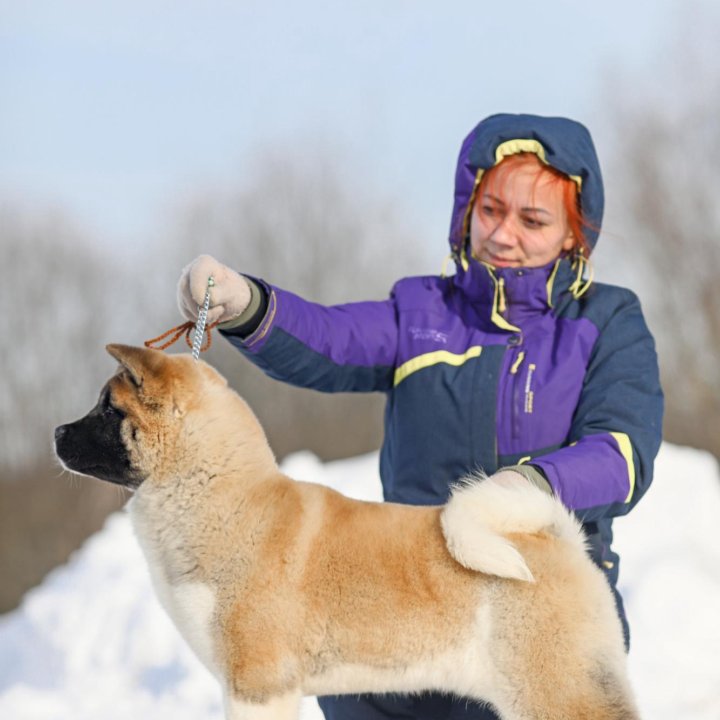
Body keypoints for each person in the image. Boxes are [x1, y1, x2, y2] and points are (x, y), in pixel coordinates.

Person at [177, 113, 663, 720]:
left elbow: (619, 452)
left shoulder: (608, 321)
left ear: (572, 236)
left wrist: (530, 487)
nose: (504, 234)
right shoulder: (421, 310)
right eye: (491, 210)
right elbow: (330, 341)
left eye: (533, 220)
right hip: (394, 592)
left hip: (534, 593)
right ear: (468, 209)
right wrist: (247, 303)